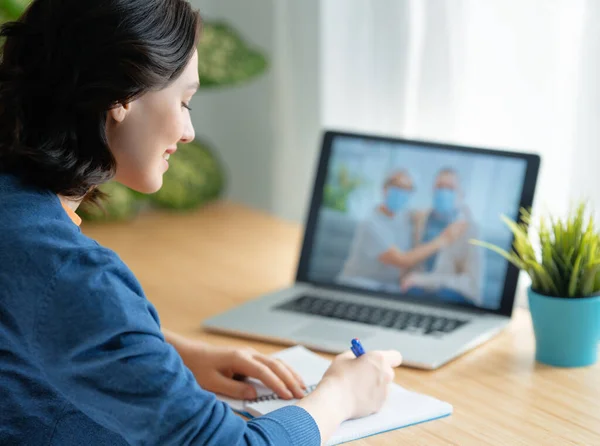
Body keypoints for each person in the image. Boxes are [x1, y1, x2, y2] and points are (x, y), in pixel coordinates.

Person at [0, 1, 402, 445]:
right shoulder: (67, 270)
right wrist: (340, 396)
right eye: (184, 101)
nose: (188, 131)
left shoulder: (18, 213)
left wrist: (173, 354)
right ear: (122, 97)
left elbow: (34, 321)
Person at [338, 170, 467, 292]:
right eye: (398, 187)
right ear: (385, 189)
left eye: (407, 189)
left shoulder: (404, 217)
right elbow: (402, 260)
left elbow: (423, 215)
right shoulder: (371, 225)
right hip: (359, 286)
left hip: (389, 290)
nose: (401, 193)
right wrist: (443, 239)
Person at [401, 168, 484, 306]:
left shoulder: (470, 229)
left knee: (440, 296)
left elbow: (472, 284)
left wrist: (425, 281)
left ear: (461, 194)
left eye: (450, 188)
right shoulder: (419, 220)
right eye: (440, 187)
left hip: (451, 294)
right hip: (418, 291)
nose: (444, 192)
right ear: (433, 190)